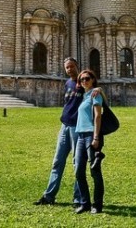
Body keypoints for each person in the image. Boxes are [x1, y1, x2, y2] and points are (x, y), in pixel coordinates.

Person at [33, 57, 84, 206]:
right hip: (65, 125)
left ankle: (78, 198)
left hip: (77, 127)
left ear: (77, 66)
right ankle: (49, 196)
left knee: (77, 163)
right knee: (57, 162)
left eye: (71, 67)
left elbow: (94, 93)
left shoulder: (84, 81)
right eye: (67, 67)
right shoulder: (68, 83)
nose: (69, 70)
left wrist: (98, 90)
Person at [74, 69, 105, 214]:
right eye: (81, 80)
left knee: (95, 171)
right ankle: (85, 203)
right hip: (80, 136)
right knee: (79, 170)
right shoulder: (84, 95)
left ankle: (97, 205)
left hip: (91, 135)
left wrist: (96, 137)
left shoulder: (95, 94)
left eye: (87, 78)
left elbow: (98, 116)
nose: (84, 81)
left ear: (93, 79)